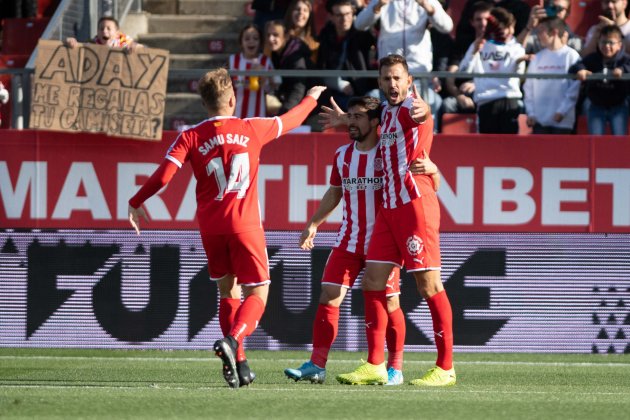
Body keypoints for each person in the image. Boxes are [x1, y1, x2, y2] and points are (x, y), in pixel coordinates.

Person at [127, 67, 327, 388]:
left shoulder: (190, 136)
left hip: (210, 226)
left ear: (204, 103)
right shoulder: (251, 128)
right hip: (244, 222)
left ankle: (241, 363)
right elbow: (292, 120)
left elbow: (164, 175)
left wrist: (136, 201)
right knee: (259, 291)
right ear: (233, 98)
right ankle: (234, 341)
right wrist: (311, 99)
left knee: (227, 290)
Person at [284, 95, 441, 386]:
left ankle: (395, 367)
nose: (351, 123)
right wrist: (313, 223)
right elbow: (335, 193)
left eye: (358, 117)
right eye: (350, 117)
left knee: (391, 303)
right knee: (329, 295)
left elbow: (424, 179)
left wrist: (435, 170)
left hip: (384, 241)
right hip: (348, 239)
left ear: (374, 122)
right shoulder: (342, 155)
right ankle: (317, 365)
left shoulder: (391, 151)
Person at [320, 54, 455, 387]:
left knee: (428, 285)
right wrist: (344, 120)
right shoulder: (385, 111)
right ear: (379, 82)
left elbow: (422, 114)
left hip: (414, 205)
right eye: (386, 79)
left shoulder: (411, 108)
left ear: (409, 81)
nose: (392, 84)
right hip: (389, 210)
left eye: (398, 78)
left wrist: (426, 113)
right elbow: (367, 117)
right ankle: (375, 364)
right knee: (373, 282)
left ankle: (446, 367)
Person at [354, 0, 454, 130]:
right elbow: (359, 24)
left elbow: (447, 26)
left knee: (428, 113)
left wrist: (427, 6)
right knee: (388, 121)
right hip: (390, 76)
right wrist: (379, 5)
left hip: (419, 77)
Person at [458, 7, 526, 134]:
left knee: (510, 147)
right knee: (486, 147)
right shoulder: (479, 45)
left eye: (510, 27)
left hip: (509, 100)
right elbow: (464, 72)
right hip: (486, 101)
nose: (509, 31)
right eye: (504, 27)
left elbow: (519, 76)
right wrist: (474, 52)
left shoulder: (517, 48)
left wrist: (518, 63)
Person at [523, 17, 581, 134]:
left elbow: (574, 88)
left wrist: (562, 111)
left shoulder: (571, 56)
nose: (537, 35)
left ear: (554, 32)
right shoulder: (537, 58)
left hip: (563, 122)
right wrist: (531, 113)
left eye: (541, 31)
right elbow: (528, 88)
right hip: (539, 122)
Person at [316, 0, 378, 109]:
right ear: (331, 17)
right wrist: (339, 84)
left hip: (360, 92)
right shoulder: (325, 36)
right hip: (331, 93)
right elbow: (320, 70)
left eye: (348, 14)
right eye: (339, 15)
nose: (344, 19)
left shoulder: (362, 34)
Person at [570, 25, 630, 135]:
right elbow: (576, 67)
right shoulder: (592, 58)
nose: (607, 46)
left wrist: (623, 70)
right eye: (603, 42)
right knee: (596, 140)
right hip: (596, 106)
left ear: (619, 45)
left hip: (619, 106)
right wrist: (581, 70)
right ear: (598, 43)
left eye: (611, 43)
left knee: (619, 138)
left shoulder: (625, 60)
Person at [442, 1, 493, 119]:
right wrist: (459, 96)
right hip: (466, 95)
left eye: (487, 19)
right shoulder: (462, 44)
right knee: (448, 104)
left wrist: (477, 83)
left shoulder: (501, 46)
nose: (483, 23)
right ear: (472, 22)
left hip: (491, 96)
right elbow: (450, 77)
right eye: (479, 19)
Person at [265, 20, 315, 115]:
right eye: (268, 35)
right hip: (299, 108)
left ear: (286, 36)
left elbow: (298, 88)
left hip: (313, 112)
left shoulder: (296, 57)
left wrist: (284, 114)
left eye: (275, 35)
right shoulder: (276, 54)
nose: (270, 39)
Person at [229, 24, 275, 118]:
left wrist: (264, 79)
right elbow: (233, 83)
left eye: (255, 38)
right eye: (247, 38)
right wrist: (249, 83)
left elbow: (273, 86)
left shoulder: (265, 61)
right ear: (241, 42)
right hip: (237, 112)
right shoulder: (233, 59)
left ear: (260, 42)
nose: (251, 41)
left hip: (259, 113)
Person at [517, 0, 582, 54]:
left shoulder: (573, 39)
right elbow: (516, 50)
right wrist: (529, 26)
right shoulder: (538, 33)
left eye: (559, 9)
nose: (556, 12)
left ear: (567, 13)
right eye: (552, 8)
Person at [65, 16, 143, 51]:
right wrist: (70, 42)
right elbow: (79, 47)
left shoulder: (123, 40)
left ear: (117, 33)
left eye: (108, 29)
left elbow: (142, 48)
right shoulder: (93, 42)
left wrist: (135, 46)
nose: (104, 31)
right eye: (101, 29)